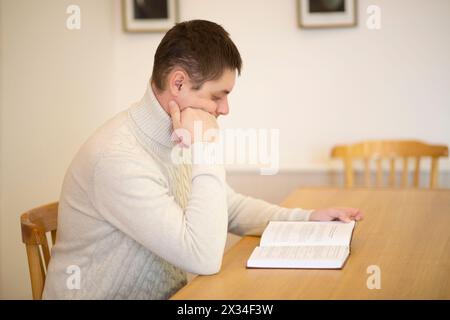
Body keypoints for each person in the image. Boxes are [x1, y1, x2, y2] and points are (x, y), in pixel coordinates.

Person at [43, 20, 362, 300]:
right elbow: (202, 257)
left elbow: (228, 206)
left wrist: (306, 220)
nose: (225, 110)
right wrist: (208, 147)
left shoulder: (176, 133)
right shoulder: (116, 157)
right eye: (217, 95)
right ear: (178, 83)